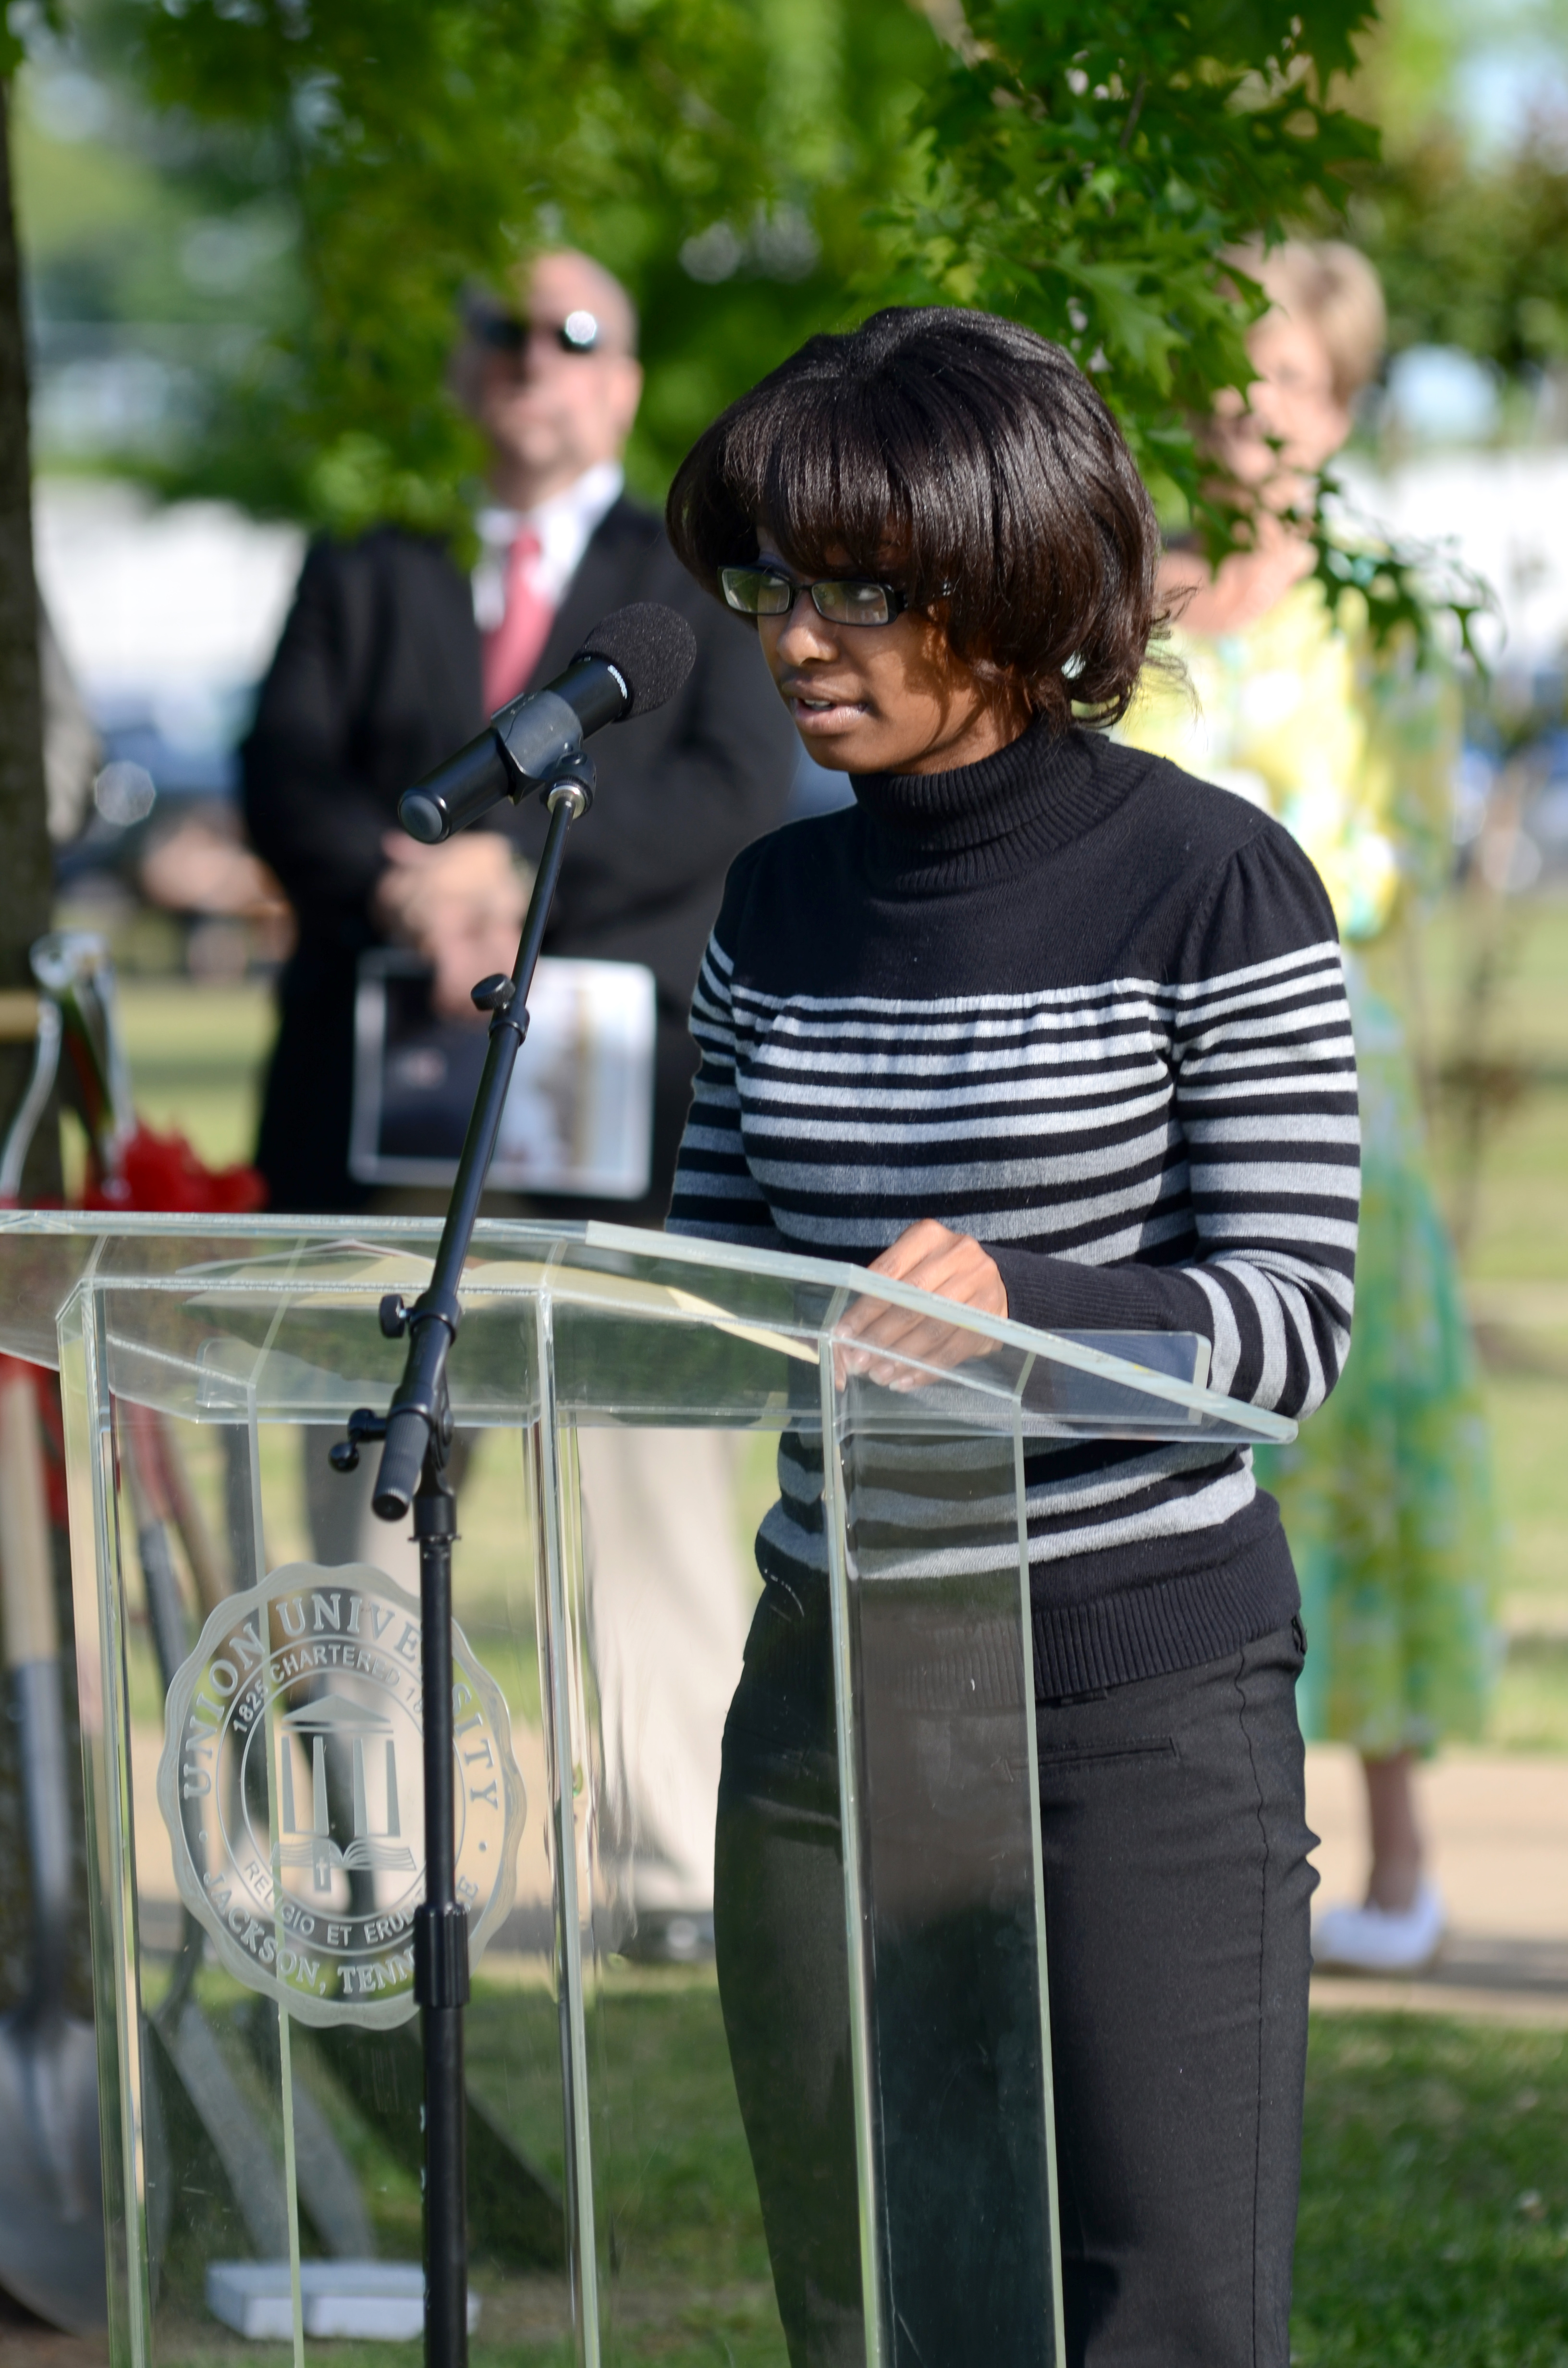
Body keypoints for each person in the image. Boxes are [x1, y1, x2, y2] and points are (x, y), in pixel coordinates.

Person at [663, 306, 1358, 2366]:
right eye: (775, 583)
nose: (800, 638)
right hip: (834, 1697)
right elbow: (715, 1282)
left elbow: (1290, 1326)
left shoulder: (1213, 882)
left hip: (1135, 1704)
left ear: (1010, 575)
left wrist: (1015, 1303)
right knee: (879, 2309)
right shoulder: (771, 907)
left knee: (1167, 2315)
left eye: (861, 590)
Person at [244, 248, 798, 1950]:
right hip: (382, 1115)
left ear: (621, 381)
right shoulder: (369, 561)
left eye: (572, 338)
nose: (531, 362)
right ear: (458, 367)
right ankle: (376, 1868)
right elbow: (284, 773)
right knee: (366, 1483)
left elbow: (733, 790)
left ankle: (662, 1875)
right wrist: (410, 891)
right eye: (501, 332)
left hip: (617, 1118)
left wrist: (511, 878)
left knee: (643, 1490)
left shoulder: (686, 586)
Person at [1120, 240, 1497, 1975]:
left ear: (1339, 408)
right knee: (1182, 1451)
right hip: (1140, 1098)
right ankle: (1200, 1845)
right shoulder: (1128, 608)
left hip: (1334, 1085)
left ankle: (1400, 1853)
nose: (1241, 404)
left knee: (1359, 1456)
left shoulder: (1382, 620)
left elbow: (1397, 861)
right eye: (1222, 368)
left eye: (1281, 375)